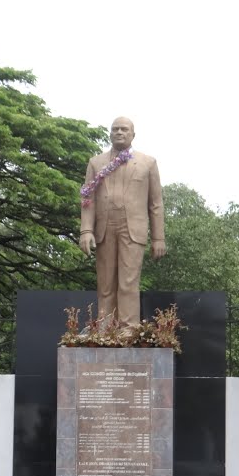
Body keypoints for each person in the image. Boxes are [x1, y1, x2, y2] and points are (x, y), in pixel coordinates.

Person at [79, 117, 166, 325]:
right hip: (104, 228)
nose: (119, 132)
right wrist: (85, 230)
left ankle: (128, 328)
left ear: (133, 135)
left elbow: (155, 204)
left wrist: (158, 238)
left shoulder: (148, 163)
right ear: (110, 134)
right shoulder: (96, 163)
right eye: (115, 129)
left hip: (133, 229)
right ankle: (106, 329)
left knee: (128, 282)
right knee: (106, 283)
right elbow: (87, 199)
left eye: (124, 129)